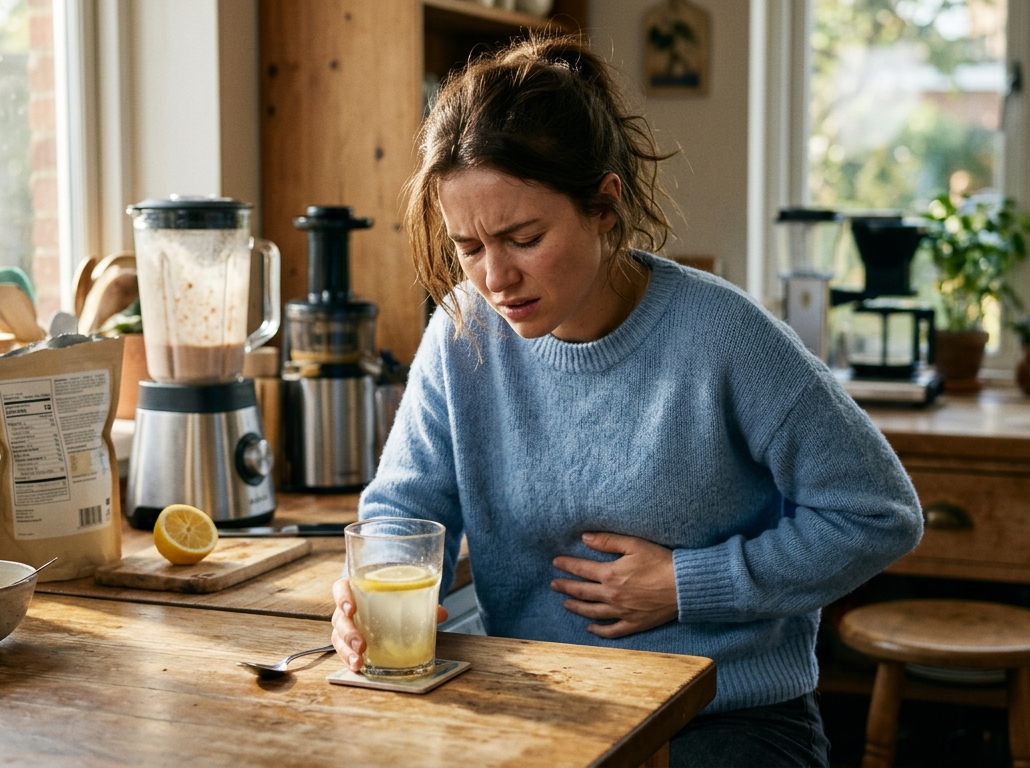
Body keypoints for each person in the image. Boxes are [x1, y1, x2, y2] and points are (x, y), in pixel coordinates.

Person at [330, 35, 923, 767]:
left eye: (523, 237)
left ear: (605, 205)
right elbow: (404, 511)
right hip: (542, 709)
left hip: (725, 716)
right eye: (469, 247)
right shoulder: (462, 334)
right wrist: (366, 591)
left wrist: (688, 584)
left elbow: (878, 515)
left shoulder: (725, 335)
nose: (494, 278)